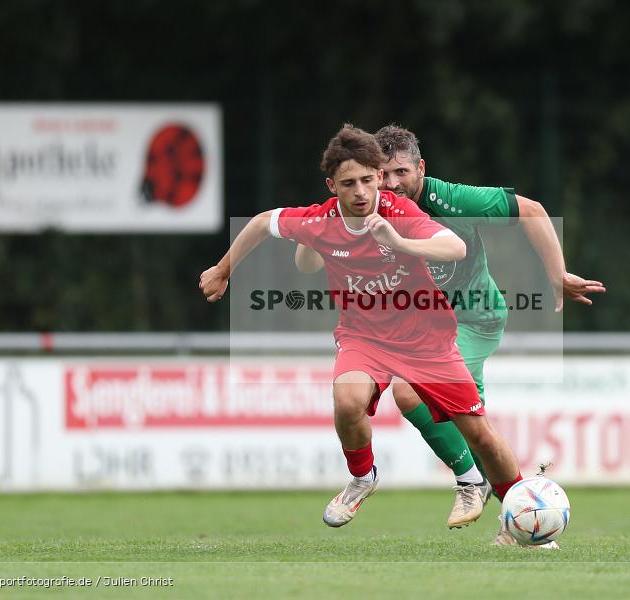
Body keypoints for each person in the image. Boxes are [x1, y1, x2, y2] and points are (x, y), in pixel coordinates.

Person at [200, 124, 527, 538]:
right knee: (347, 398)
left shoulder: (398, 212)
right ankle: (363, 476)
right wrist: (223, 269)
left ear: (378, 177)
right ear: (331, 186)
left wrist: (400, 242)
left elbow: (455, 248)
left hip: (425, 338)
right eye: (349, 183)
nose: (361, 192)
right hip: (363, 337)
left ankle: (522, 510)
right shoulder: (321, 219)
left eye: (368, 180)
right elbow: (264, 222)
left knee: (480, 435)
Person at [295, 125, 605, 544]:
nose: (392, 184)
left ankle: (472, 481)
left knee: (410, 393)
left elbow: (530, 210)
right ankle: (522, 519)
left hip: (473, 319)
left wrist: (557, 274)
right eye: (383, 174)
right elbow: (316, 257)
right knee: (476, 429)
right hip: (421, 330)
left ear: (421, 169)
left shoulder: (452, 200)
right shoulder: (368, 211)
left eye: (402, 172)